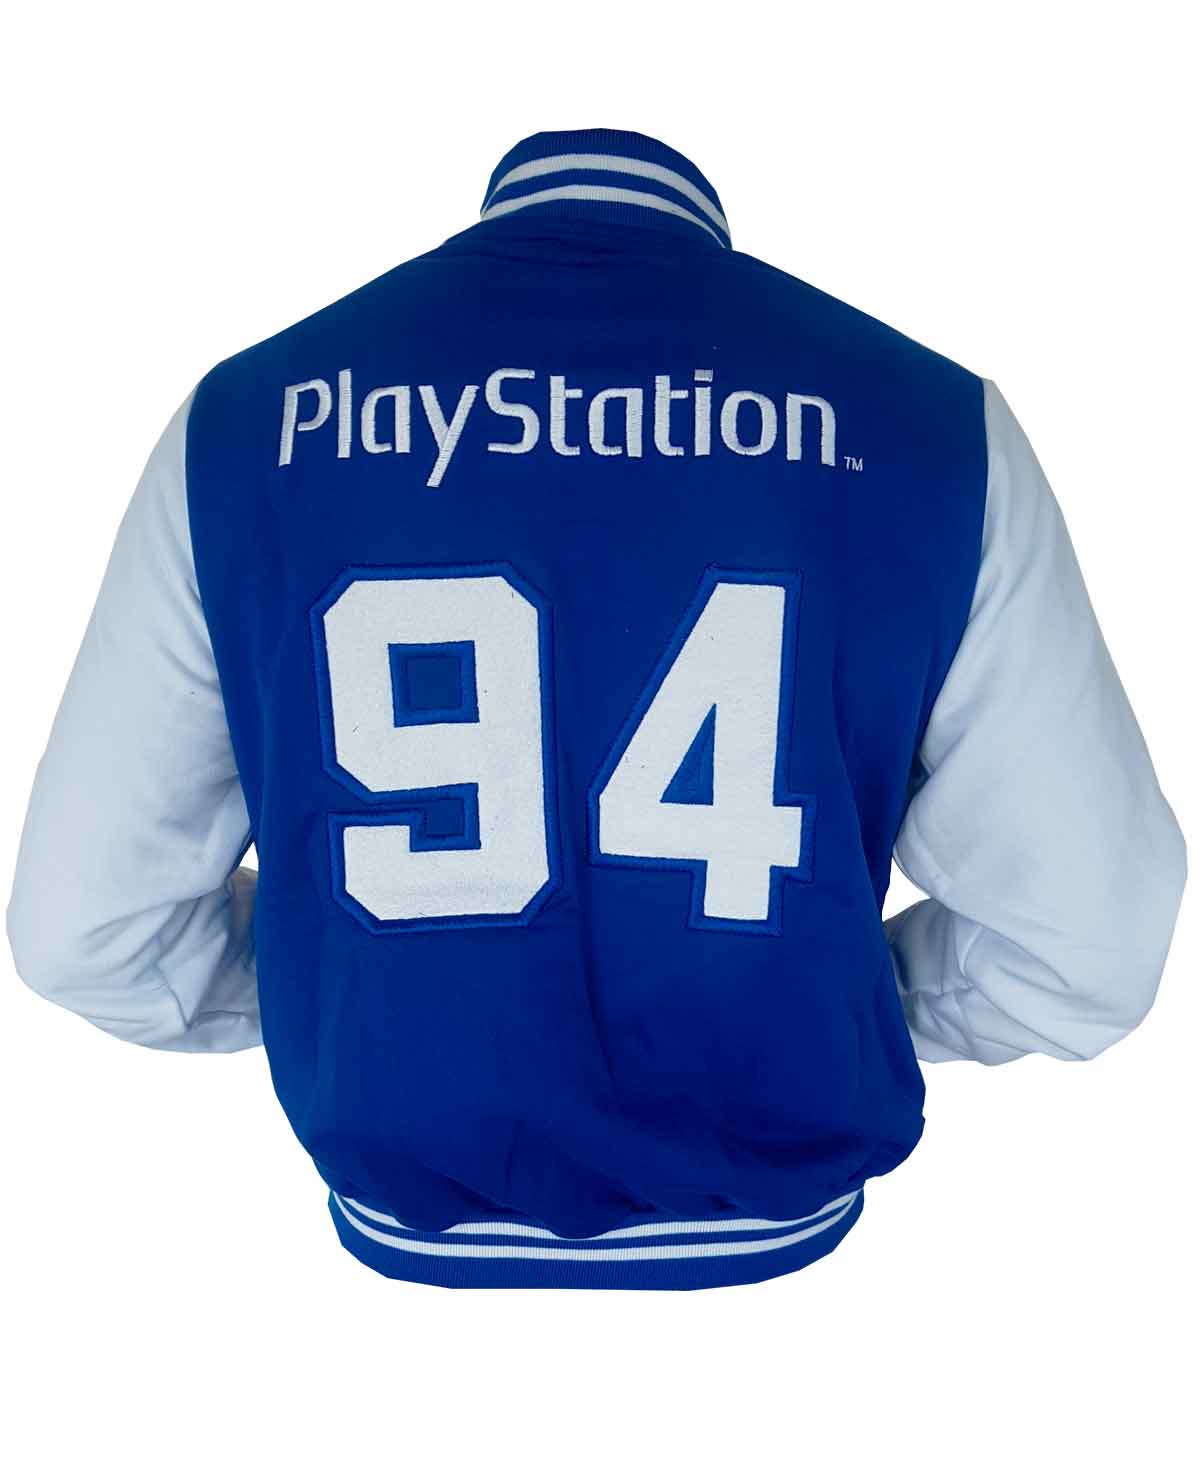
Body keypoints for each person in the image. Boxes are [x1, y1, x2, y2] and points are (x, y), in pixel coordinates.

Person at [7, 128, 1186, 1290]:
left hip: (379, 1289)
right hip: (809, 1293)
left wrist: (350, 972)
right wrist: (838, 991)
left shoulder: (241, 425)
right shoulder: (933, 425)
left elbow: (83, 927)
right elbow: (1091, 939)